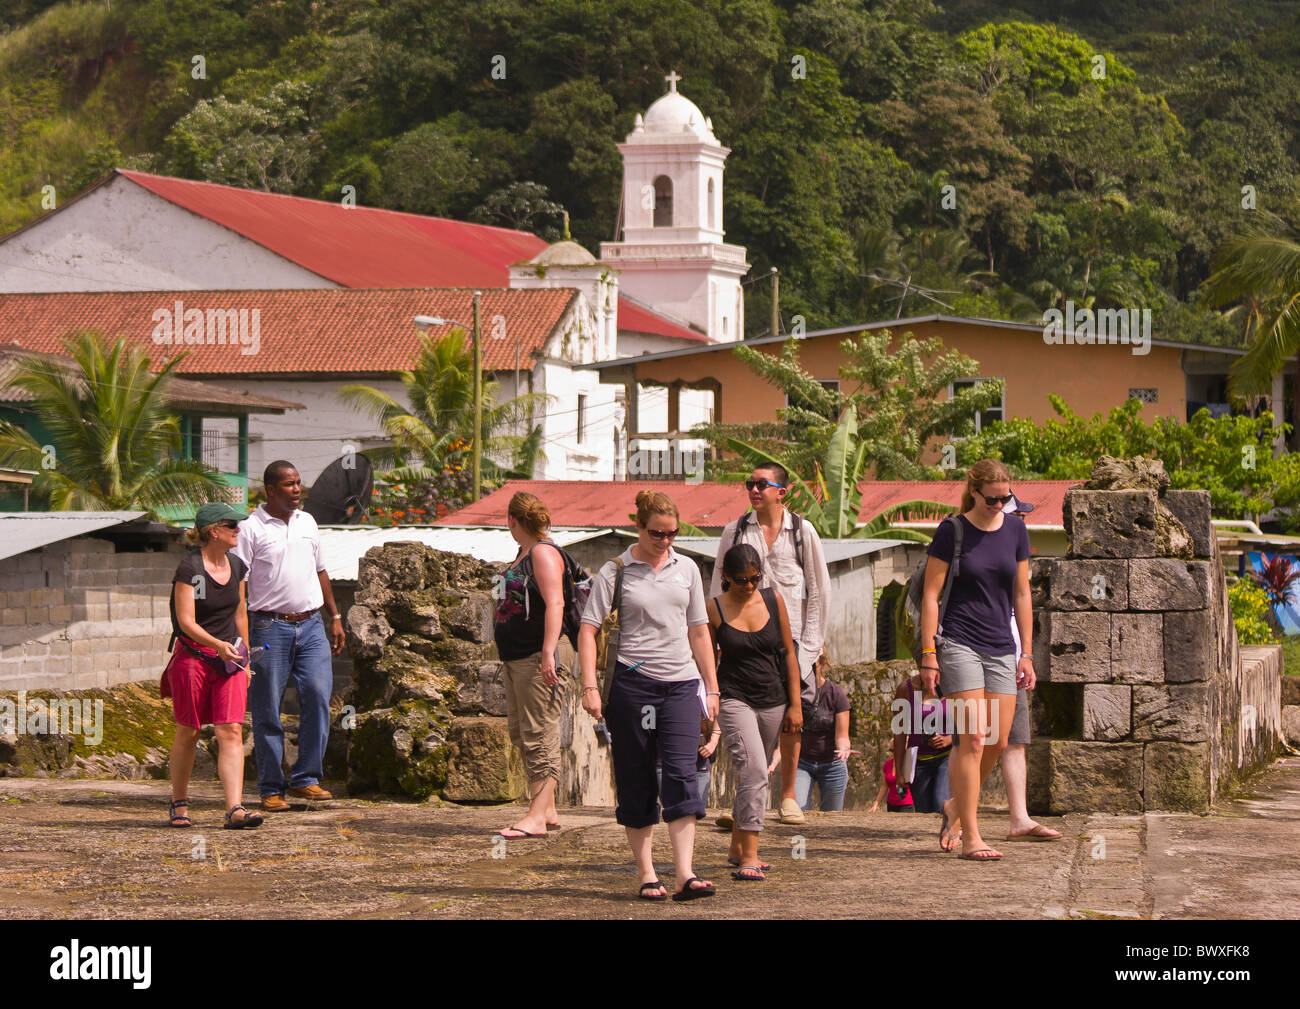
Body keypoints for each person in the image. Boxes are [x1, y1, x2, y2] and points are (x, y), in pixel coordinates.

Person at [578, 490, 721, 902]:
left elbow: (698, 630)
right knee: (637, 775)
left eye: (672, 533)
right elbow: (589, 629)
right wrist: (590, 686)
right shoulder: (616, 570)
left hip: (679, 685)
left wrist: (711, 687)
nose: (665, 541)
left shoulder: (688, 568)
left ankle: (685, 874)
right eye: (657, 533)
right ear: (638, 527)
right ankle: (645, 873)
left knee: (681, 773)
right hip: (633, 686)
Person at [919, 458, 1033, 861]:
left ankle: (954, 806)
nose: (1000, 505)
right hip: (958, 643)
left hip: (1002, 645)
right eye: (993, 499)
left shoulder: (1017, 530)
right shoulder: (952, 531)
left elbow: (1022, 594)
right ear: (974, 491)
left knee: (998, 740)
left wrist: (1027, 654)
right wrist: (929, 654)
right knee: (971, 739)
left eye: (1006, 499)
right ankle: (971, 834)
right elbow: (930, 596)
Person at [710, 463, 830, 826]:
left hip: (793, 641)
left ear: (782, 491)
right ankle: (747, 802)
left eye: (763, 484)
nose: (754, 490)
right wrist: (717, 640)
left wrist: (811, 646)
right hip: (744, 636)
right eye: (750, 484)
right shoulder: (735, 532)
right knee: (744, 720)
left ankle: (789, 796)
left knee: (795, 718)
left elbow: (819, 589)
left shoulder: (801, 532)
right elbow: (718, 585)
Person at [235, 461, 345, 812]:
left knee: (316, 695)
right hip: (269, 627)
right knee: (268, 706)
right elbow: (239, 583)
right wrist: (242, 634)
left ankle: (306, 778)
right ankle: (270, 787)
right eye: (289, 484)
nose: (297, 489)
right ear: (270, 489)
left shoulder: (308, 522)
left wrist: (335, 616)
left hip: (312, 625)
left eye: (299, 483)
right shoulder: (250, 528)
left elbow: (321, 570)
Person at [707, 544, 803, 882]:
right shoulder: (715, 609)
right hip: (734, 697)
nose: (748, 586)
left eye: (754, 579)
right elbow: (706, 660)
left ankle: (735, 846)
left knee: (754, 776)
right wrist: (709, 699)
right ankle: (750, 854)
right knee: (754, 770)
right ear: (726, 578)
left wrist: (795, 704)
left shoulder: (774, 600)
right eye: (740, 580)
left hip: (773, 699)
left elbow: (789, 653)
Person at [164, 502, 262, 829]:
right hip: (194, 658)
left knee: (231, 729)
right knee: (189, 731)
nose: (238, 529)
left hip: (230, 660)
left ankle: (235, 808)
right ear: (213, 531)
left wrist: (244, 658)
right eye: (231, 524)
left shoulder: (237, 566)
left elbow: (239, 614)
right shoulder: (189, 569)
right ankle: (179, 802)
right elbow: (186, 622)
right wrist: (216, 645)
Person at [493, 491, 572, 839]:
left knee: (540, 734)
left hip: (537, 656)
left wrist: (548, 652)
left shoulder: (542, 552)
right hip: (517, 657)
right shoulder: (523, 552)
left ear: (512, 520)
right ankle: (547, 808)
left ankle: (536, 816)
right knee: (522, 733)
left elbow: (555, 603)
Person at [1000, 494, 1062, 843]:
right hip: (975, 655)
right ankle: (957, 807)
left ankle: (1019, 817)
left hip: (1011, 660)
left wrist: (1026, 655)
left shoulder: (1017, 559)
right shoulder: (972, 550)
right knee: (976, 742)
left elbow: (1022, 604)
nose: (1022, 523)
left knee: (1015, 741)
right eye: (1017, 516)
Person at [792, 651, 852, 811]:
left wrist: (843, 749)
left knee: (832, 817)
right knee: (797, 811)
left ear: (822, 664)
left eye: (813, 665)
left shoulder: (835, 694)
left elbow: (842, 736)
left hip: (832, 763)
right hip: (802, 762)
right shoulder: (794, 693)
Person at [890, 669, 953, 815]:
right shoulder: (905, 689)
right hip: (918, 762)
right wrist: (899, 772)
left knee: (941, 803)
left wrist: (949, 739)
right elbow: (899, 733)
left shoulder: (952, 684)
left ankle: (950, 833)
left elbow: (969, 722)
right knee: (923, 813)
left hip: (947, 757)